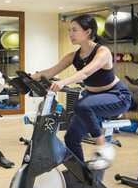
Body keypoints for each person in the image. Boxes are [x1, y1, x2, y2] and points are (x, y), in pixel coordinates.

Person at [31, 14, 132, 169]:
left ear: (88, 32)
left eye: (74, 30)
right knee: (71, 137)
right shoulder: (73, 56)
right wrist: (30, 77)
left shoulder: (102, 52)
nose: (70, 34)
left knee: (82, 105)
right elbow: (51, 71)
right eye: (69, 30)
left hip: (117, 96)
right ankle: (79, 174)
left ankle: (103, 147)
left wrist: (63, 82)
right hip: (91, 98)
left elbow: (85, 73)